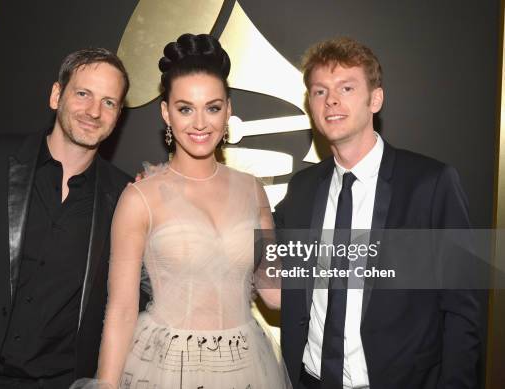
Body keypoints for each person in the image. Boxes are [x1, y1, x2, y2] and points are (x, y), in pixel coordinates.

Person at [0, 48, 141, 388]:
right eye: (83, 94)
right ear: (56, 95)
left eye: (109, 102)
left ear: (118, 114)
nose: (94, 111)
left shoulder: (126, 195)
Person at [87, 33, 291, 389]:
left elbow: (274, 291)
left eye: (212, 107)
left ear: (228, 109)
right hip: (165, 368)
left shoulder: (252, 189)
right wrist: (106, 384)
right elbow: (120, 311)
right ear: (166, 112)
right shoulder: (140, 198)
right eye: (185, 108)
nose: (200, 123)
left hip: (246, 367)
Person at [275, 37, 481, 389]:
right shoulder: (302, 189)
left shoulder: (431, 184)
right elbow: (256, 243)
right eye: (319, 91)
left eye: (347, 87)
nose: (332, 100)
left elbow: (463, 310)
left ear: (376, 98)